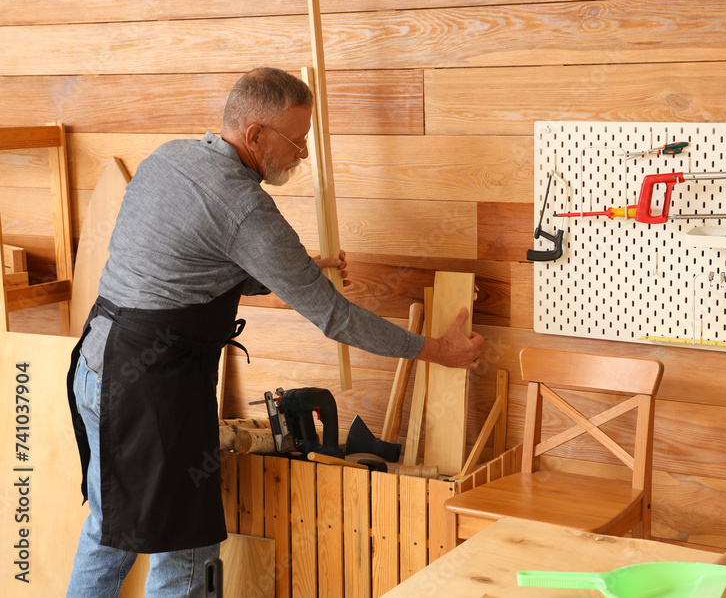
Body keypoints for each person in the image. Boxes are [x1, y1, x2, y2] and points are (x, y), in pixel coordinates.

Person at [65, 67, 483, 597]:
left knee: (108, 535)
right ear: (256, 135)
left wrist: (294, 267)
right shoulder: (246, 209)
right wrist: (434, 350)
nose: (303, 155)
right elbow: (336, 317)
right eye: (297, 140)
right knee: (188, 553)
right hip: (153, 391)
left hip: (98, 365)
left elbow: (189, 264)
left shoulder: (170, 157)